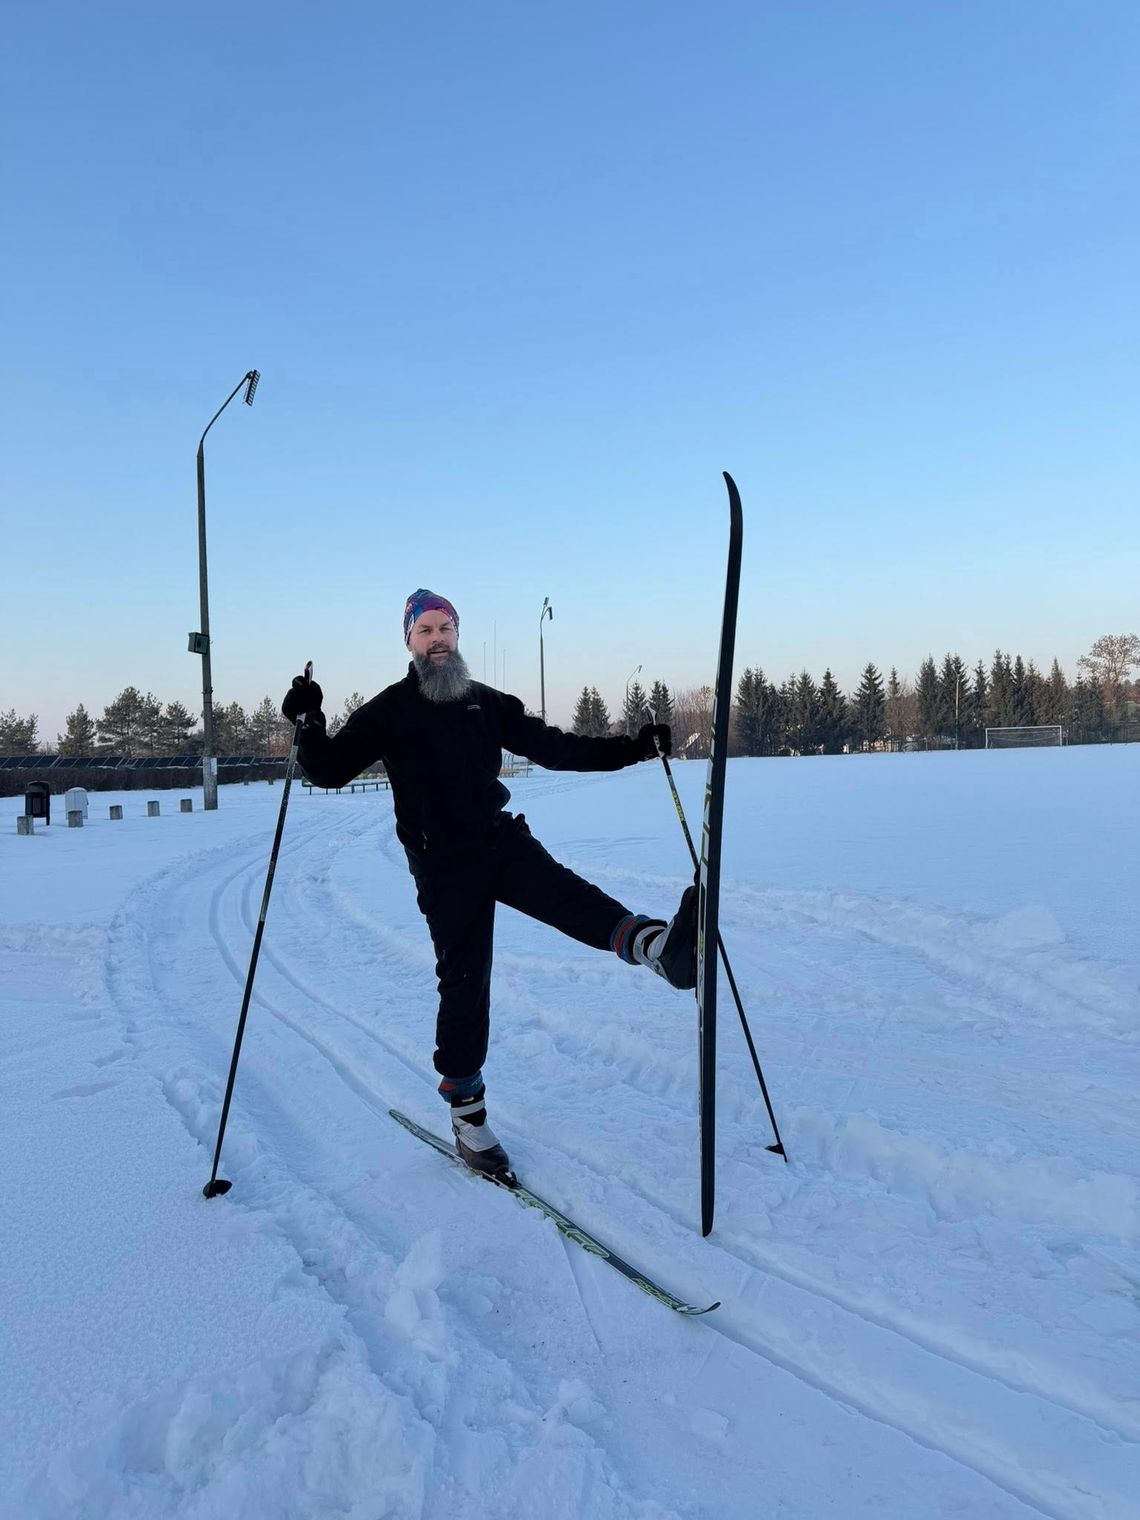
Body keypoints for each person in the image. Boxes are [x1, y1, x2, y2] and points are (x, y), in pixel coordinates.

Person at [282, 588, 697, 1179]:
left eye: (445, 628)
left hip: (498, 840)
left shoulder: (486, 702)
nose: (438, 640)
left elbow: (557, 749)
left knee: (570, 897)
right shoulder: (389, 709)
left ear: (458, 635)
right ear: (409, 641)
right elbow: (326, 769)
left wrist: (634, 748)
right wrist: (308, 719)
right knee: (465, 982)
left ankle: (659, 948)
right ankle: (468, 1116)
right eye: (426, 630)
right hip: (443, 866)